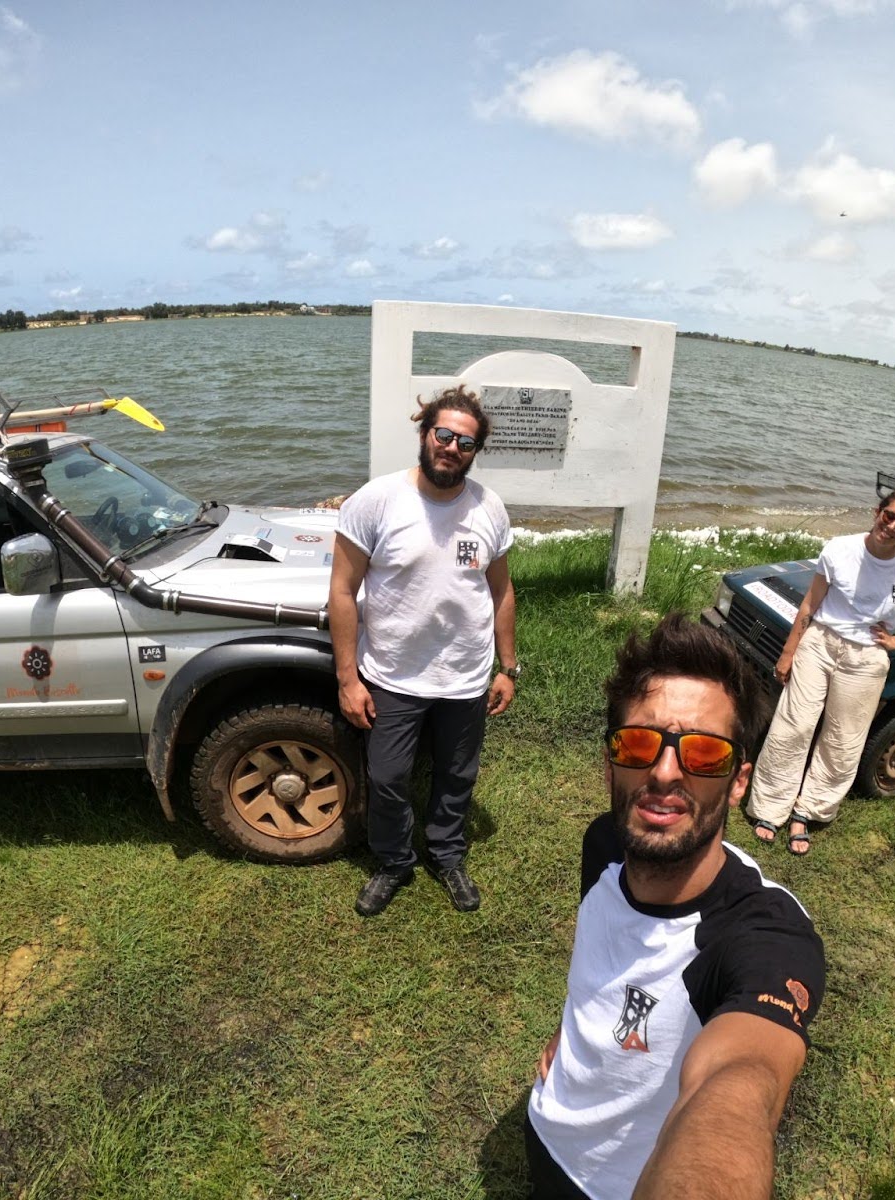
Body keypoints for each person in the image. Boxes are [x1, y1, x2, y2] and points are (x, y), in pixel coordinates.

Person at [528, 614, 825, 1199]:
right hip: (548, 1130)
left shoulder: (765, 934)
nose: (664, 773)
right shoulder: (606, 844)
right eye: (639, 744)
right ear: (611, 764)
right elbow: (607, 962)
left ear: (738, 782)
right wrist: (576, 1033)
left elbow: (742, 1078)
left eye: (704, 754)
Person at [329, 385, 518, 917]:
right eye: (444, 435)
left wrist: (508, 667)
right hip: (392, 674)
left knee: (457, 776)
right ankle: (394, 861)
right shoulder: (376, 501)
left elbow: (502, 591)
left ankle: (446, 854)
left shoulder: (489, 507)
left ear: (475, 451)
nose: (452, 447)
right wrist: (348, 679)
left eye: (466, 442)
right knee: (388, 777)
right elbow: (341, 592)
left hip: (465, 675)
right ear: (425, 433)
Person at [746, 492, 895, 856]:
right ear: (877, 511)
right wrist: (788, 653)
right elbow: (811, 602)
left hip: (866, 658)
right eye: (889, 516)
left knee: (843, 738)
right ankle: (770, 806)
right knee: (794, 724)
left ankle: (808, 810)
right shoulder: (840, 548)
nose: (891, 526)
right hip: (819, 643)